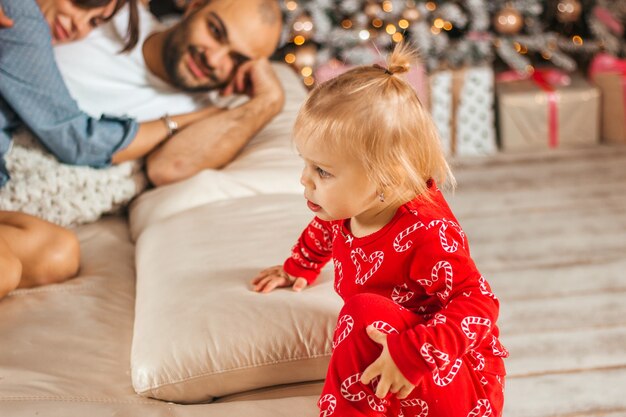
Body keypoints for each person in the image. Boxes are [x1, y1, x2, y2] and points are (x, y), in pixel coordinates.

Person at [251, 44, 508, 417]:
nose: (304, 180)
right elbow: (325, 229)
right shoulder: (349, 207)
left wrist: (412, 354)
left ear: (384, 177)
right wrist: (299, 266)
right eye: (306, 164)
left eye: (322, 171)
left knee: (361, 310)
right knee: (363, 314)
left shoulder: (427, 231)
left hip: (454, 380)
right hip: (393, 354)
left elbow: (479, 305)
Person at [0, 0, 284, 299]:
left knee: (58, 254)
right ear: (194, 6)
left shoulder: (206, 113)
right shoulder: (113, 11)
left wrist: (267, 102)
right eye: (214, 31)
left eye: (237, 59)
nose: (214, 59)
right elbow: (77, 139)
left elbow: (169, 168)